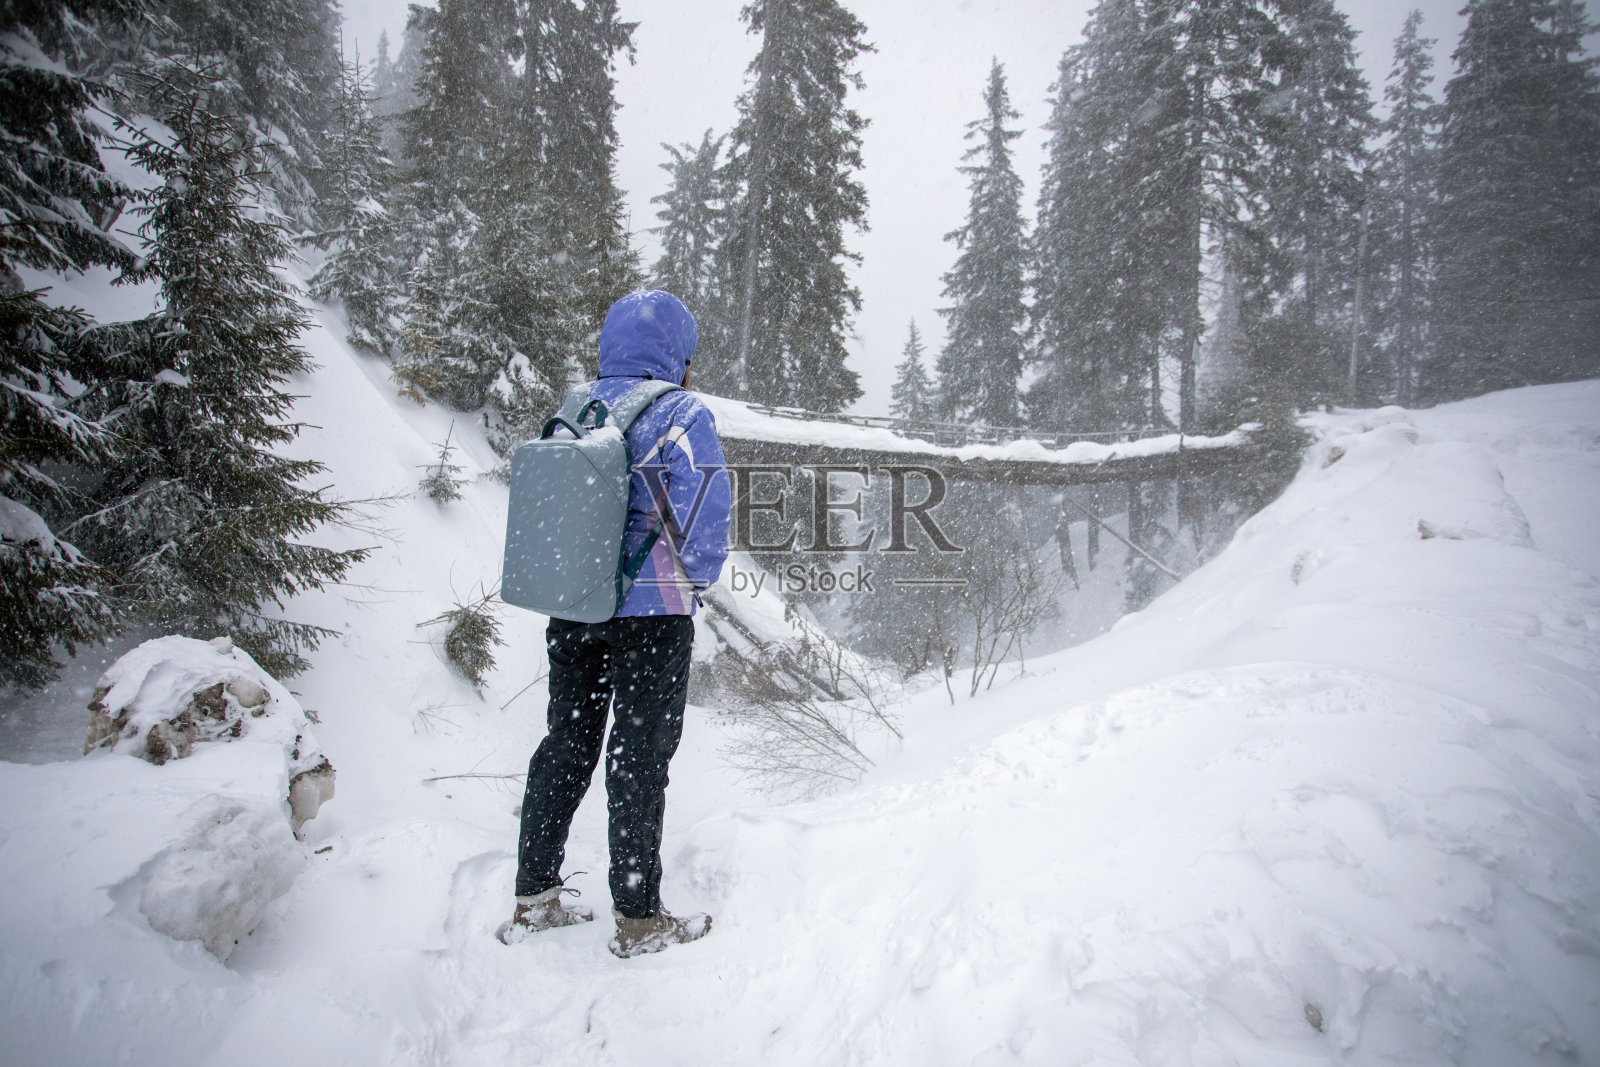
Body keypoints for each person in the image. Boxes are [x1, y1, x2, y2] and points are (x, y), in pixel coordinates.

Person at [497, 290, 731, 959]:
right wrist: (695, 578)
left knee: (566, 744)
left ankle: (534, 895)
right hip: (651, 614)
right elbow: (705, 526)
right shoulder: (684, 413)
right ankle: (637, 916)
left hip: (573, 605)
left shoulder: (579, 405)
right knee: (638, 756)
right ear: (677, 354)